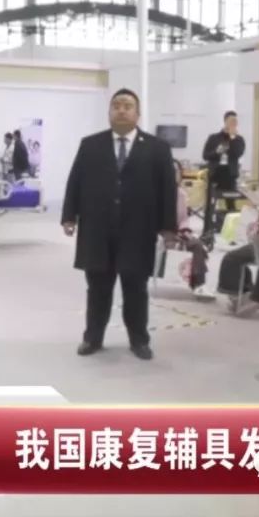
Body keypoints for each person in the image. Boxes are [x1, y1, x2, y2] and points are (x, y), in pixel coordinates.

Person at [61, 88, 178, 360]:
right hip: (97, 230)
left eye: (127, 106)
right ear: (109, 112)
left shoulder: (158, 148)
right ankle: (92, 338)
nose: (122, 110)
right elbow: (75, 181)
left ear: (138, 113)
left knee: (136, 289)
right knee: (98, 289)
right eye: (116, 105)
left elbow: (167, 190)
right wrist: (69, 216)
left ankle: (139, 340)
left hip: (139, 231)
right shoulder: (91, 145)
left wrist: (168, 227)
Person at [201, 111, 245, 239]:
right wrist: (217, 152)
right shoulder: (213, 138)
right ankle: (207, 230)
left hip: (230, 174)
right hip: (216, 173)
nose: (233, 123)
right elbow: (205, 155)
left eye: (235, 121)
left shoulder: (239, 139)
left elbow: (238, 153)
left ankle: (232, 231)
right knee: (210, 202)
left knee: (231, 202)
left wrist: (233, 138)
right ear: (225, 121)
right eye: (231, 121)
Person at [169, 159, 209, 293]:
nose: (175, 174)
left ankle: (198, 283)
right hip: (160, 234)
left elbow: (183, 219)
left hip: (178, 232)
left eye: (177, 171)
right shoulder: (154, 192)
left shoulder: (180, 194)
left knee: (198, 245)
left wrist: (185, 231)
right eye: (172, 171)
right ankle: (198, 283)